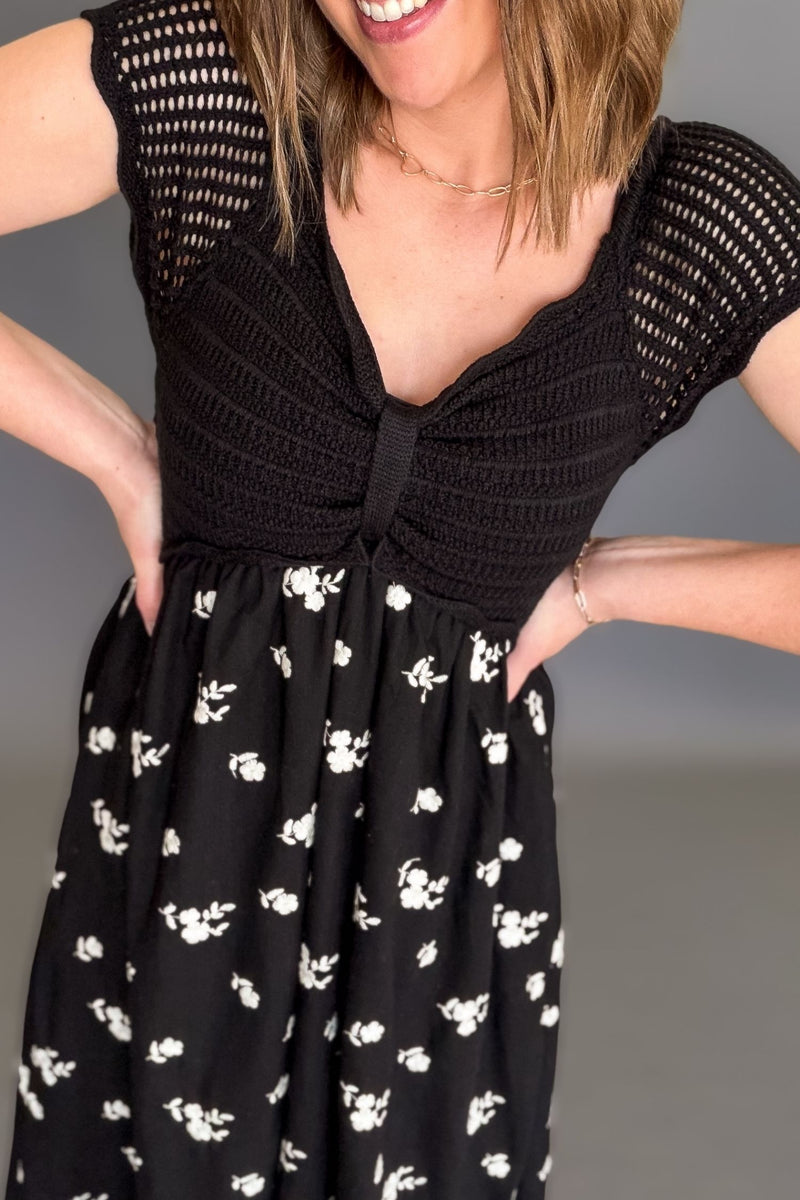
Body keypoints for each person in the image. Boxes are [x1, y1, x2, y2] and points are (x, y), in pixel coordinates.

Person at [1, 0, 799, 1195]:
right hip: (172, 878)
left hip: (433, 939)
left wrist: (611, 583)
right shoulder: (212, 87)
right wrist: (112, 449)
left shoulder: (696, 223)